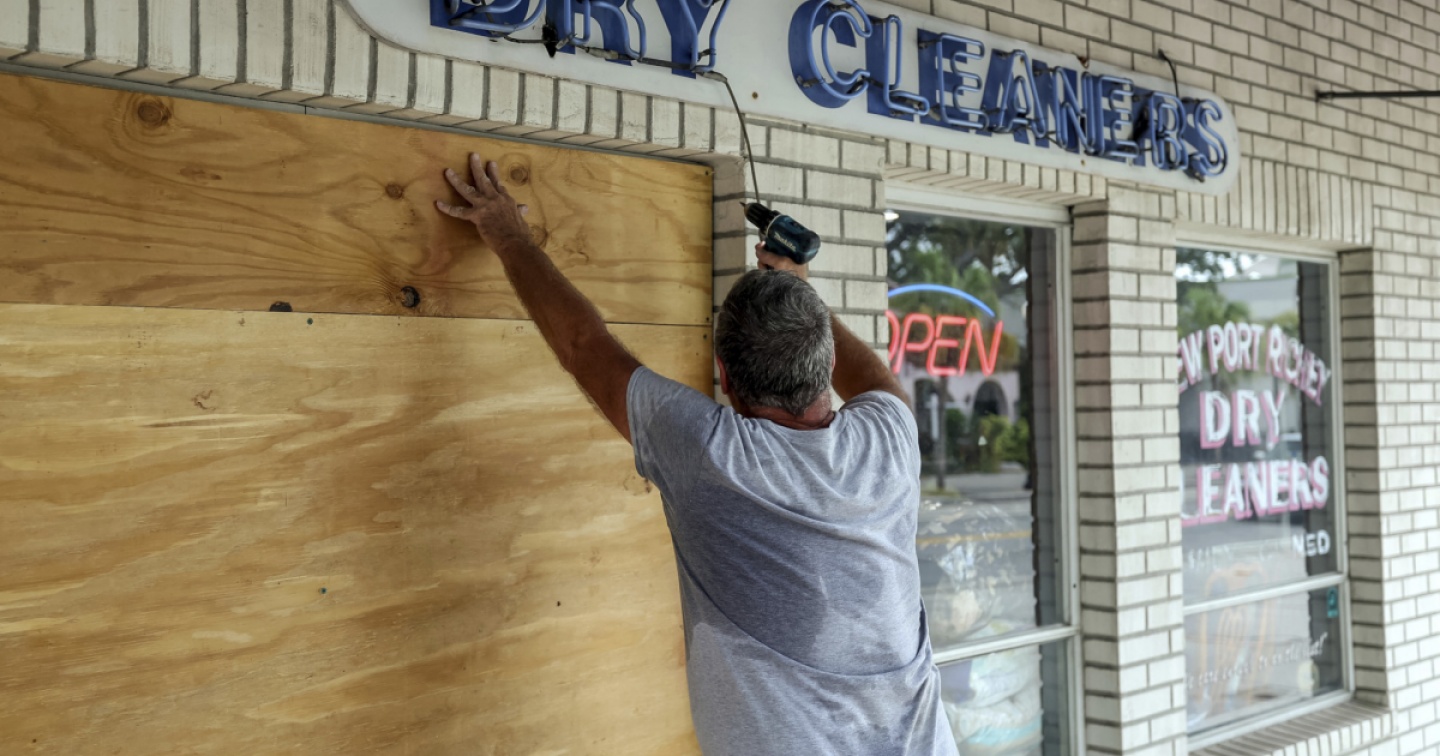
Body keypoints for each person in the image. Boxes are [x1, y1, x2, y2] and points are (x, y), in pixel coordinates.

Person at [437, 154, 959, 756]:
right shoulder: (890, 441)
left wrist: (508, 236)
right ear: (823, 366)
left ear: (724, 379)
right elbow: (876, 382)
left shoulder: (715, 458)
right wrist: (796, 291)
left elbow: (585, 345)